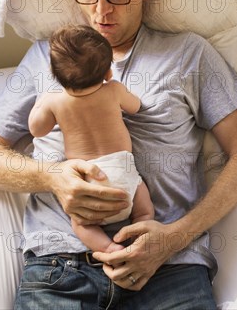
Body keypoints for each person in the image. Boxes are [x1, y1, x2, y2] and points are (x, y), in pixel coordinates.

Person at [0, 0, 237, 310]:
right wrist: (53, 177)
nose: (101, 11)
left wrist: (175, 236)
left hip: (168, 268)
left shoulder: (190, 55)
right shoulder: (46, 57)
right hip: (60, 268)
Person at [28, 24, 154, 253]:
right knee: (144, 208)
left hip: (88, 181)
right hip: (124, 176)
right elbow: (135, 106)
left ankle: (108, 248)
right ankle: (138, 233)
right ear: (108, 73)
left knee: (80, 223)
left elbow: (37, 129)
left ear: (55, 76)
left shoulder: (55, 100)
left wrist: (42, 100)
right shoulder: (113, 90)